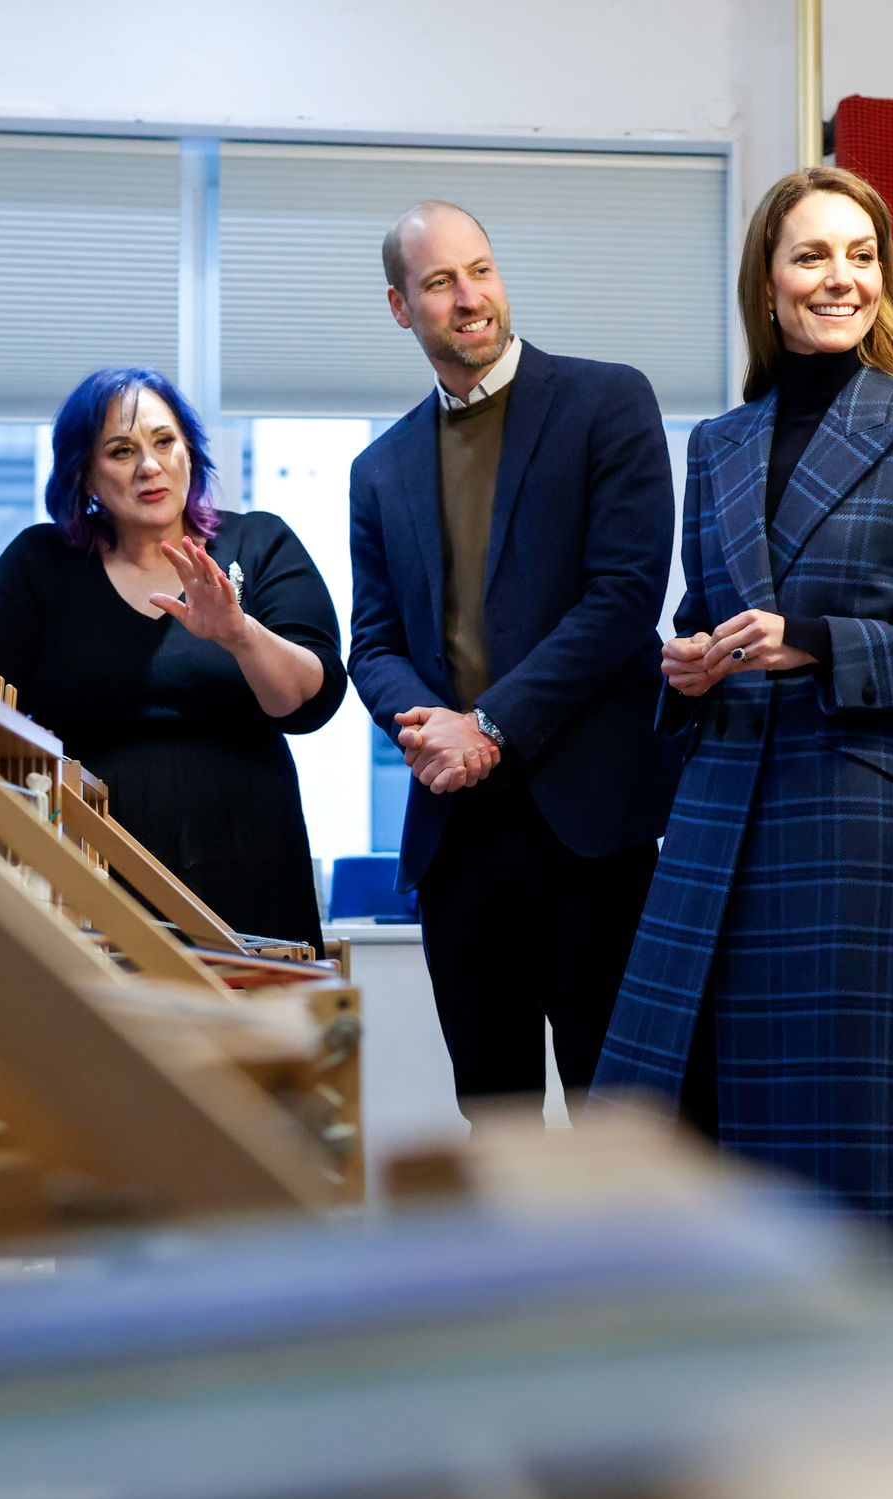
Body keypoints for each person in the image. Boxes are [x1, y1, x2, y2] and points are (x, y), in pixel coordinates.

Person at [593, 167, 893, 1274]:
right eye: (811, 256)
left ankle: (864, 1416)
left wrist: (819, 638)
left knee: (843, 1144)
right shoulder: (718, 445)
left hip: (846, 820)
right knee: (671, 1120)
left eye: (860, 255)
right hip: (713, 813)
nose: (839, 279)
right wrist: (682, 665)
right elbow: (702, 614)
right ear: (768, 283)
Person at [346, 201, 678, 1107]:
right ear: (399, 306)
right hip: (457, 840)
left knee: (623, 1120)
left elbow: (623, 600)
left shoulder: (608, 401)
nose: (470, 297)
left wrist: (488, 725)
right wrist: (436, 731)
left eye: (481, 270)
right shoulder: (378, 470)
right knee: (492, 1122)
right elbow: (370, 643)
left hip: (592, 828)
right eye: (441, 281)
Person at [0, 367, 347, 952]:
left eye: (164, 441)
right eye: (121, 450)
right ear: (85, 475)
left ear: (190, 449)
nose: (149, 465)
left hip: (251, 859)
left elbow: (308, 701)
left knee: (260, 1038)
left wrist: (240, 634)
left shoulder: (258, 545)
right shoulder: (41, 564)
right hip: (92, 875)